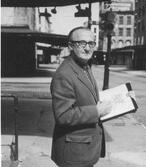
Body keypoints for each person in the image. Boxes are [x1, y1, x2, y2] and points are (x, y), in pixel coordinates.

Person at [50, 27, 112, 167]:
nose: (87, 48)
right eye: (82, 43)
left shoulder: (84, 66)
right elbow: (63, 116)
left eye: (91, 43)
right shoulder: (64, 74)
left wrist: (122, 99)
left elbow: (87, 97)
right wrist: (96, 112)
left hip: (85, 149)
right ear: (71, 45)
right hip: (74, 153)